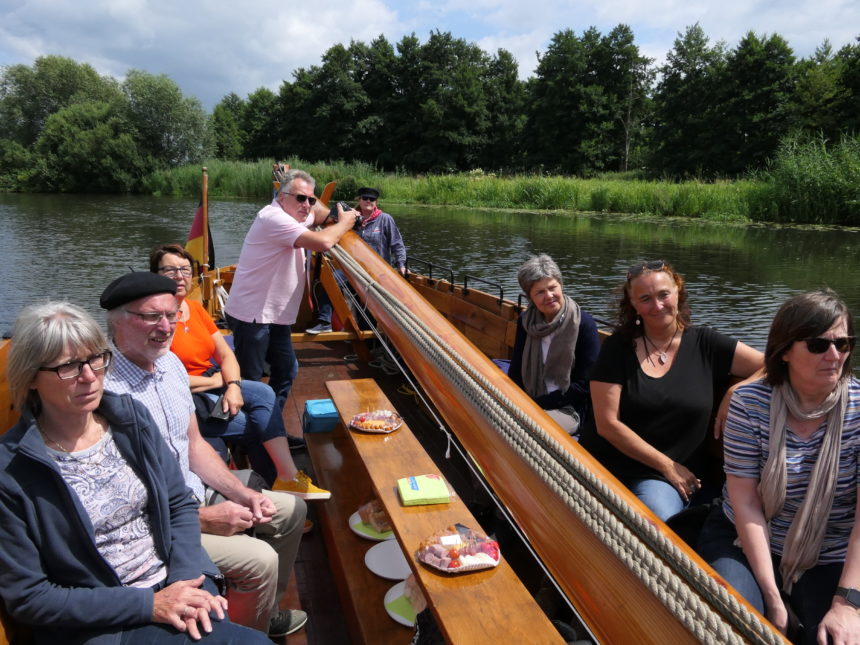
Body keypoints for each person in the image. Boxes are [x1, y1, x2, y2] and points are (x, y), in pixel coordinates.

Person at [0, 301, 270, 644]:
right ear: (31, 377)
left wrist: (186, 577)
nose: (89, 377)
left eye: (96, 359)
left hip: (173, 582)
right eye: (68, 367)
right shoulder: (12, 469)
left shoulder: (128, 418)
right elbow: (30, 597)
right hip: (105, 623)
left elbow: (178, 503)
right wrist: (150, 604)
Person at [100, 272, 308, 638]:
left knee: (292, 510)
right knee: (260, 561)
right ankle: (246, 634)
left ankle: (263, 612)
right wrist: (203, 519)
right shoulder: (104, 393)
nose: (166, 327)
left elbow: (194, 446)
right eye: (151, 317)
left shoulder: (171, 366)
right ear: (116, 321)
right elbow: (123, 504)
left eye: (172, 314)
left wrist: (243, 494)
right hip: (159, 525)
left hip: (195, 493)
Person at [698, 290, 860, 644]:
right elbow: (746, 504)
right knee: (736, 625)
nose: (835, 356)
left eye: (844, 343)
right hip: (743, 539)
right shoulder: (749, 403)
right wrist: (772, 597)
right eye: (819, 345)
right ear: (785, 351)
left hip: (831, 551)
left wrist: (848, 602)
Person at [579, 260, 763, 521]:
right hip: (613, 463)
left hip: (666, 478)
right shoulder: (619, 348)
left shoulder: (706, 344)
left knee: (658, 527)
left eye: (664, 294)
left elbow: (773, 364)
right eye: (645, 298)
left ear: (678, 291)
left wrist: (739, 389)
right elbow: (608, 424)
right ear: (633, 305)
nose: (657, 305)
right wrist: (667, 465)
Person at [149, 243, 329, 499]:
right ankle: (275, 497)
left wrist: (232, 385)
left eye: (186, 270)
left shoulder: (195, 308)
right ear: (154, 275)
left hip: (214, 381)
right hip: (183, 399)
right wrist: (214, 383)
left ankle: (285, 480)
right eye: (170, 270)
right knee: (258, 427)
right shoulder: (154, 320)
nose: (180, 276)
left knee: (264, 394)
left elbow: (225, 353)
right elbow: (160, 379)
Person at [224, 169, 356, 408]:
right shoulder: (273, 218)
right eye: (300, 198)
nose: (306, 205)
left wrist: (331, 215)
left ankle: (271, 427)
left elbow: (316, 215)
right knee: (250, 381)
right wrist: (345, 223)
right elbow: (323, 242)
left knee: (286, 371)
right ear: (280, 196)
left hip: (275, 315)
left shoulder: (294, 214)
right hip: (252, 316)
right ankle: (251, 439)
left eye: (311, 199)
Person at [508, 254, 600, 435]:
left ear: (561, 285)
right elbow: (516, 369)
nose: (549, 296)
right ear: (530, 297)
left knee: (527, 429)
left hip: (568, 407)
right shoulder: (526, 322)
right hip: (530, 398)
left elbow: (584, 384)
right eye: (540, 292)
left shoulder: (583, 323)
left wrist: (538, 405)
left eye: (552, 288)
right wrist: (516, 399)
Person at [307, 186, 407, 334]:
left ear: (376, 202)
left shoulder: (385, 219)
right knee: (331, 282)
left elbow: (397, 244)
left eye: (371, 199)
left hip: (376, 273)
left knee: (368, 309)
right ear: (358, 200)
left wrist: (401, 264)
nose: (368, 201)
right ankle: (324, 322)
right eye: (365, 198)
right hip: (352, 270)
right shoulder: (348, 219)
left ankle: (368, 336)